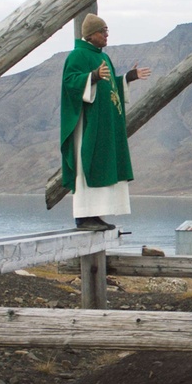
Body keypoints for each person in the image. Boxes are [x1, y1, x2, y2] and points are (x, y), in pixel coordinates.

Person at [60, 13, 151, 230]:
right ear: (91, 35)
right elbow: (70, 83)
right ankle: (84, 217)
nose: (106, 35)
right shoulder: (77, 56)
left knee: (103, 165)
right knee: (87, 165)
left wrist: (128, 77)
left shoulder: (103, 58)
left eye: (107, 30)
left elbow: (110, 88)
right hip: (88, 125)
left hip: (105, 125)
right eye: (103, 31)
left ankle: (96, 215)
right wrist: (92, 76)